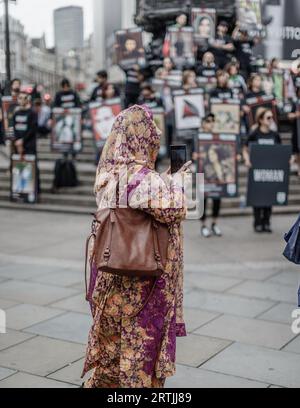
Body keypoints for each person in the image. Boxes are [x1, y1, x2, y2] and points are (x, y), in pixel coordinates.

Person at [82, 105, 189, 388]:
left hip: (113, 272)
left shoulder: (110, 172)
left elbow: (140, 201)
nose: (153, 138)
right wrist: (177, 184)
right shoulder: (139, 176)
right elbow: (174, 208)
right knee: (138, 353)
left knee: (112, 350)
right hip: (142, 283)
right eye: (149, 133)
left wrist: (164, 181)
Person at [243, 107, 282, 233]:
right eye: (268, 117)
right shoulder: (254, 134)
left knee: (269, 197)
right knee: (257, 197)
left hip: (270, 171)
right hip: (256, 171)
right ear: (260, 119)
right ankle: (257, 222)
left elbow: (281, 151)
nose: (271, 120)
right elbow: (244, 148)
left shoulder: (275, 135)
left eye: (272, 117)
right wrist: (247, 160)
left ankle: (266, 222)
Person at [196, 114, 223, 238]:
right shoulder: (197, 137)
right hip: (202, 174)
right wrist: (194, 156)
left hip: (215, 173)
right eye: (208, 121)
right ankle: (203, 225)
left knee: (217, 199)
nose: (211, 123)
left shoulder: (217, 138)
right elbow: (192, 152)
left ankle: (214, 224)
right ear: (203, 123)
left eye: (213, 121)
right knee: (203, 201)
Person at [13, 91, 40, 194]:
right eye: (19, 98)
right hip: (18, 145)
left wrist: (22, 141)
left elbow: (32, 129)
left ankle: (35, 191)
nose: (21, 100)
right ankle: (21, 190)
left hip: (29, 145)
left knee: (32, 167)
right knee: (19, 167)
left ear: (27, 99)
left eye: (23, 98)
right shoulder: (16, 113)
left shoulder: (32, 113)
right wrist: (17, 141)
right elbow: (14, 128)